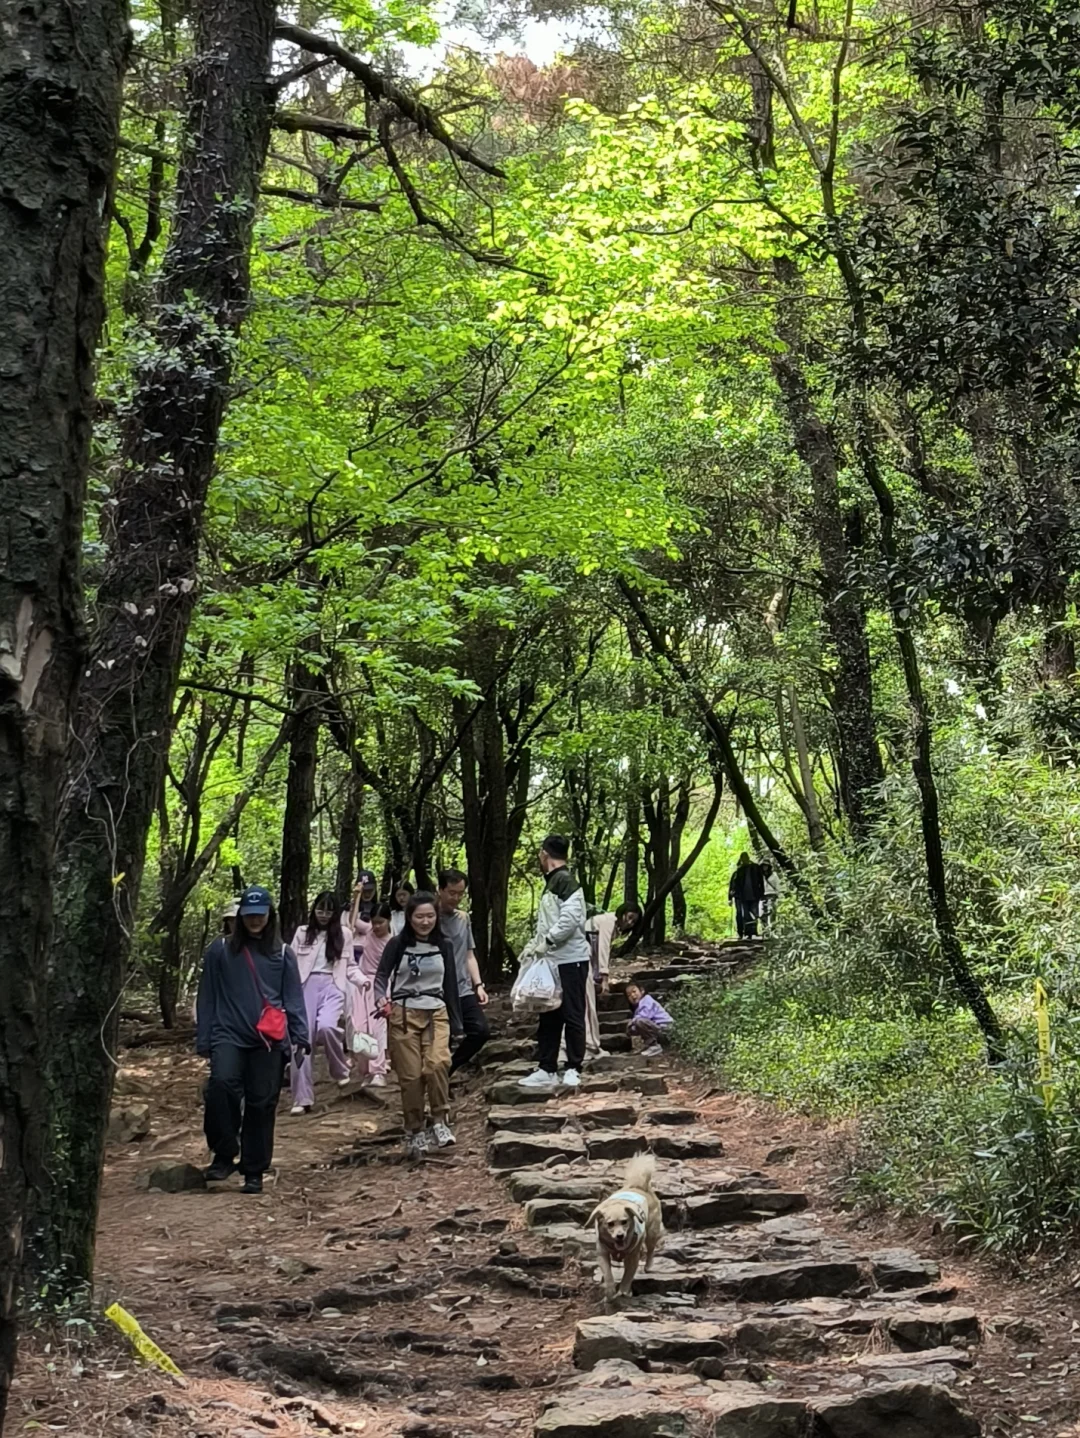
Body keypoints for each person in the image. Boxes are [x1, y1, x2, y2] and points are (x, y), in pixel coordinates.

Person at [195, 885, 308, 1194]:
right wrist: (204, 1037)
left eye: (260, 914)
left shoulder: (282, 953)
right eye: (249, 915)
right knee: (221, 1085)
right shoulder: (220, 950)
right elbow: (207, 996)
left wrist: (300, 1035)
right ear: (240, 917)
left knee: (261, 1102)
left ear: (270, 915)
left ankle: (254, 1170)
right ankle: (223, 1152)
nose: (255, 920)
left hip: (267, 1040)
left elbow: (293, 998)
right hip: (227, 1033)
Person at [374, 891, 462, 1159]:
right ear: (409, 917)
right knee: (411, 1077)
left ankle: (439, 1120)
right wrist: (381, 999)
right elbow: (381, 976)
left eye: (430, 916)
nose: (425, 922)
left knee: (437, 1064)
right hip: (403, 1013)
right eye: (419, 916)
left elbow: (450, 985)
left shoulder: (444, 945)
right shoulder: (397, 945)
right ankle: (414, 1130)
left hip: (436, 1011)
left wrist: (457, 1022)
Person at [519, 835, 592, 1091]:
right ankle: (547, 1067)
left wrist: (547, 941)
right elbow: (550, 920)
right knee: (548, 1011)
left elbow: (571, 919)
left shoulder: (566, 881)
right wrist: (533, 946)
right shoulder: (553, 882)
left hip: (571, 959)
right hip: (552, 960)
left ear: (544, 854)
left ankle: (573, 1067)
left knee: (572, 1012)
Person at [288, 891, 353, 1115]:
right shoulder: (302, 933)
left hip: (333, 986)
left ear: (335, 913)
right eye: (320, 909)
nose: (324, 915)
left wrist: (363, 982)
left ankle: (339, 1068)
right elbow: (290, 963)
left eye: (329, 910)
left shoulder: (344, 934)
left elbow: (350, 966)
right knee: (301, 1040)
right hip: (304, 987)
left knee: (326, 1027)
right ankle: (301, 1098)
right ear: (314, 910)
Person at [436, 868, 491, 1076]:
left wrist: (478, 985)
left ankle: (449, 1069)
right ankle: (437, 1086)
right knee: (443, 1040)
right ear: (440, 890)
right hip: (438, 991)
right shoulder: (427, 918)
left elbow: (469, 954)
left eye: (460, 893)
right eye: (452, 893)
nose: (456, 898)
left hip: (463, 988)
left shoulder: (463, 918)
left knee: (480, 1031)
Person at [583, 902, 641, 1060]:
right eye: (629, 918)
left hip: (585, 958)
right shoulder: (609, 921)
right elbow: (602, 948)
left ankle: (589, 1043)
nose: (630, 923)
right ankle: (589, 1044)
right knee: (587, 1003)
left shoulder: (610, 924)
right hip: (581, 957)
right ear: (622, 914)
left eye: (633, 921)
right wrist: (604, 978)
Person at [347, 901, 392, 1086]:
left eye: (381, 922)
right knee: (359, 1027)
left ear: (388, 921)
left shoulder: (393, 941)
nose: (377, 926)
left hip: (381, 985)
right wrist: (356, 896)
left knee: (377, 1028)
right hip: (362, 983)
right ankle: (365, 1071)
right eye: (374, 921)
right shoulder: (368, 932)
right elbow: (352, 920)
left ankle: (378, 1071)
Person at [625, 982, 674, 1057]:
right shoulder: (639, 1007)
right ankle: (650, 1045)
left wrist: (631, 1023)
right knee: (638, 1022)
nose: (632, 995)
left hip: (667, 1029)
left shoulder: (647, 1001)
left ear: (642, 991)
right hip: (659, 1029)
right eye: (629, 995)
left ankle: (654, 1046)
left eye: (634, 991)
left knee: (640, 1021)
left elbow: (643, 1017)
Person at [728, 852, 765, 940]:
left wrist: (761, 893)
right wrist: (733, 895)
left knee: (754, 914)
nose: (744, 860)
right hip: (744, 896)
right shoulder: (740, 870)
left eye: (745, 858)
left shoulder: (755, 868)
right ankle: (748, 933)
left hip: (754, 895)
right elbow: (736, 884)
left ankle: (753, 931)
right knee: (746, 915)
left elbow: (761, 881)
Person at [759, 859, 780, 931]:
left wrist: (778, 893)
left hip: (772, 894)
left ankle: (772, 928)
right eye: (763, 866)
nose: (765, 867)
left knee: (772, 911)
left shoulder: (774, 875)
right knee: (763, 912)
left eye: (766, 866)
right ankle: (764, 928)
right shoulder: (760, 875)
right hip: (763, 895)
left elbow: (777, 884)